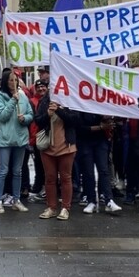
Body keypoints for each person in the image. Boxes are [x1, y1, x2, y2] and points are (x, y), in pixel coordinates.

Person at [34, 88, 82, 220]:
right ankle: (51, 207)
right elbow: (37, 120)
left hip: (66, 146)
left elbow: (76, 120)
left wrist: (59, 110)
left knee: (66, 178)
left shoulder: (70, 100)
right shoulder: (44, 101)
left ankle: (65, 208)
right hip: (48, 147)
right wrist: (47, 115)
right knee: (50, 178)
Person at [0, 69, 34, 213]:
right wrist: (12, 101)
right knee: (3, 171)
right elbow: (2, 116)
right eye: (11, 80)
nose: (14, 82)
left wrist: (25, 118)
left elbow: (30, 114)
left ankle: (16, 200)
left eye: (16, 80)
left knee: (17, 171)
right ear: (5, 81)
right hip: (5, 139)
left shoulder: (22, 95)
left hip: (20, 138)